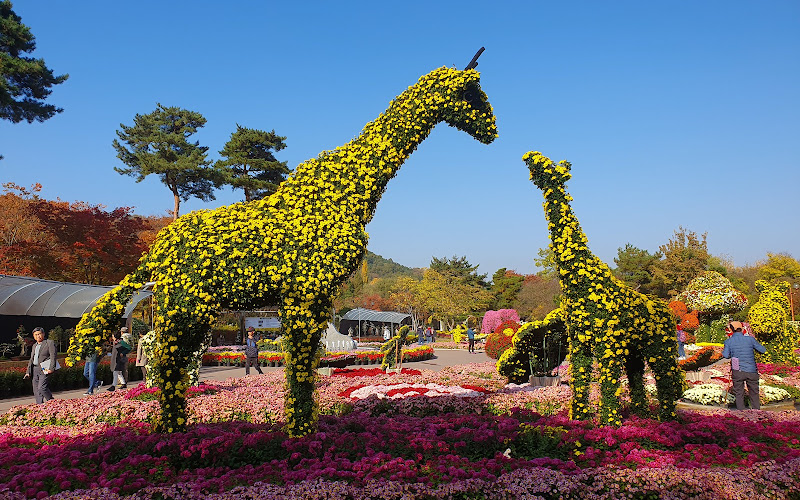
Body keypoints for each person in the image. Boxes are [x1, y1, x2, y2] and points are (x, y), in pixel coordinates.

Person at [722, 320, 766, 410]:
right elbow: (763, 350)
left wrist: (732, 353)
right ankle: (756, 413)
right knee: (754, 393)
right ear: (742, 329)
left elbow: (726, 355)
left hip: (737, 369)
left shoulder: (728, 341)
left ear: (731, 330)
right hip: (751, 369)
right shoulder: (750, 339)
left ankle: (741, 414)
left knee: (739, 393)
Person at [23, 327, 58, 404]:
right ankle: (40, 406)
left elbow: (53, 356)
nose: (38, 336)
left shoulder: (49, 343)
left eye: (39, 334)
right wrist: (28, 372)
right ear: (33, 336)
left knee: (42, 388)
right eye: (36, 335)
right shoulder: (34, 345)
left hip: (44, 368)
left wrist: (52, 368)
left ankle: (52, 402)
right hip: (35, 369)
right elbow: (31, 359)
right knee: (36, 390)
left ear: (43, 334)